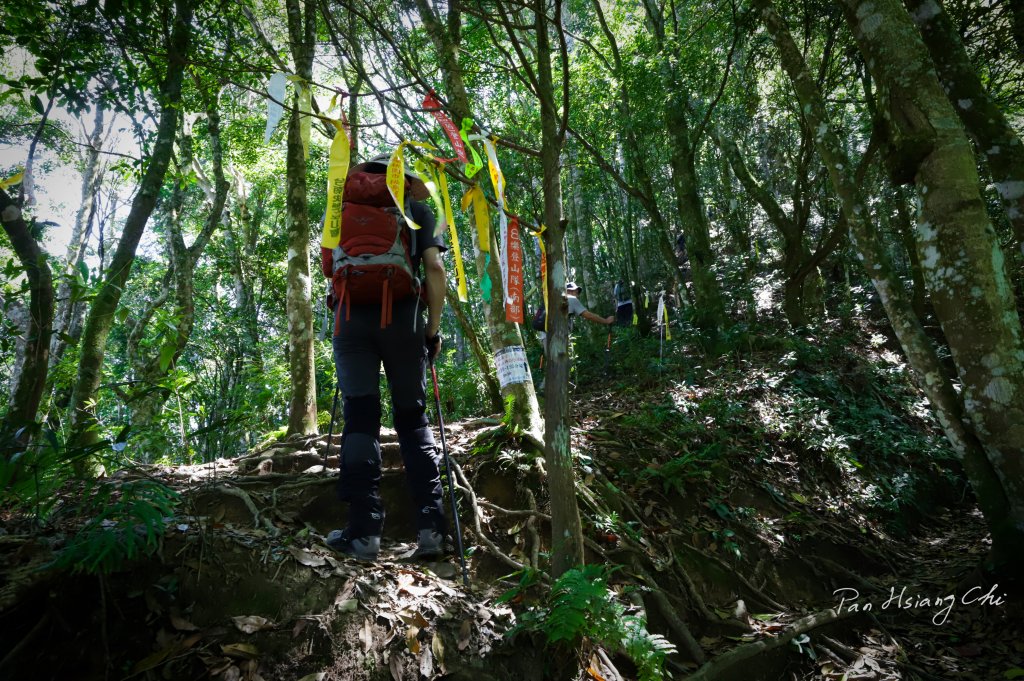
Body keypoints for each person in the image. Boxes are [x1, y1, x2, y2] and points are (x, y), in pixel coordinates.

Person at [321, 153, 448, 561]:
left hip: (349, 320)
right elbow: (435, 270)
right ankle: (431, 530)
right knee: (412, 418)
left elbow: (328, 266)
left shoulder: (338, 209)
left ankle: (364, 534)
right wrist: (431, 331)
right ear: (403, 180)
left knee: (360, 418)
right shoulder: (417, 210)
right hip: (403, 320)